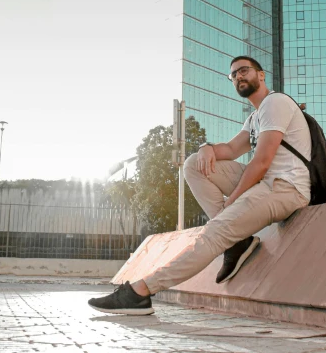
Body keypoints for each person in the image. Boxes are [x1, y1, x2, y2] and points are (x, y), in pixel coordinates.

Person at [88, 55, 312, 315]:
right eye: (233, 75)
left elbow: (261, 162)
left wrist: (232, 202)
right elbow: (229, 149)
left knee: (212, 233)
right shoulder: (254, 118)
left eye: (244, 71)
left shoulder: (276, 103)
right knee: (195, 163)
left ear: (261, 75)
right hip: (266, 183)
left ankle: (140, 292)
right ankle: (236, 242)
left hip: (286, 188)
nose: (239, 76)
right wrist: (206, 148)